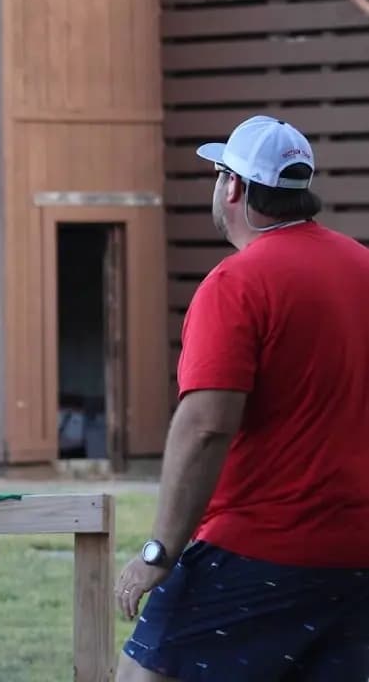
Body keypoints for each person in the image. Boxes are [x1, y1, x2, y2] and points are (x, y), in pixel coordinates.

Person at [114, 115, 369, 681]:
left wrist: (159, 551)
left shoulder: (237, 283)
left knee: (141, 676)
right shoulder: (363, 267)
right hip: (356, 556)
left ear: (232, 187)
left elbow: (205, 425)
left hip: (260, 546)